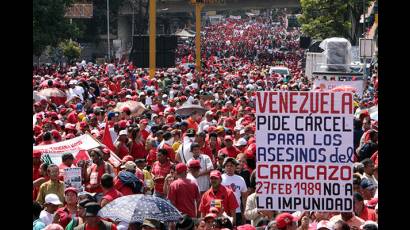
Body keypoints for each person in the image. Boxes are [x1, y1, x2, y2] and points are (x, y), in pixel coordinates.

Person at [221, 157, 248, 225]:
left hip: (237, 211)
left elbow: (244, 198)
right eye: (227, 165)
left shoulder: (240, 179)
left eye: (231, 165)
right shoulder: (220, 178)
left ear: (235, 167)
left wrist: (244, 213)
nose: (229, 167)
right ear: (224, 167)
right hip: (223, 212)